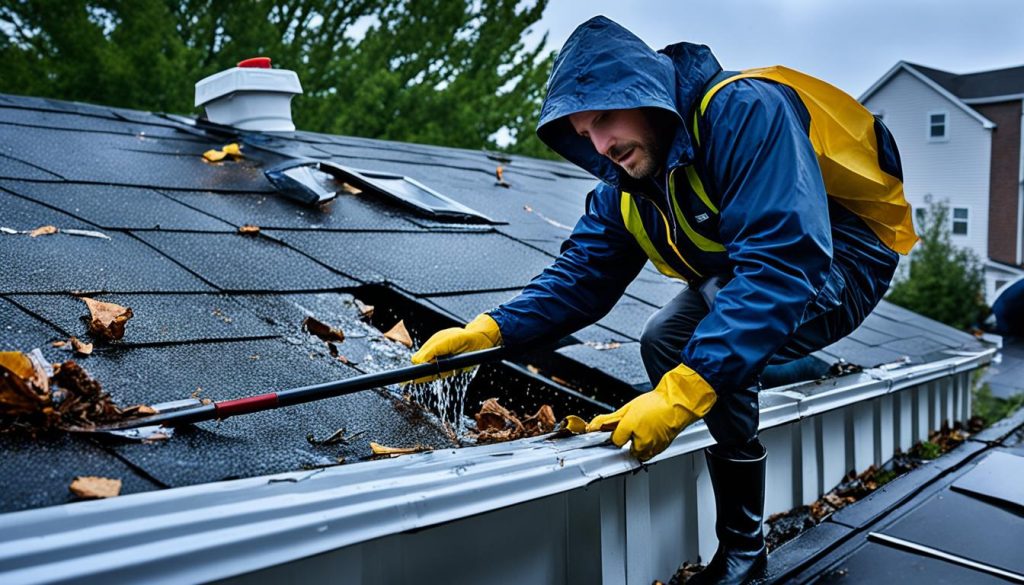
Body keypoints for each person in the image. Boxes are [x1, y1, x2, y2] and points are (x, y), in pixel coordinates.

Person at [411, 15, 916, 585]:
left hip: (845, 256)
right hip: (752, 274)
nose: (602, 145)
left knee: (694, 337)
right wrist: (489, 331)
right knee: (666, 338)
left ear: (643, 91)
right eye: (584, 135)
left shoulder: (744, 110)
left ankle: (743, 555)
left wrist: (681, 394)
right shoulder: (622, 187)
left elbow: (782, 262)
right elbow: (580, 278)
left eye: (604, 118)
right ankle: (748, 543)